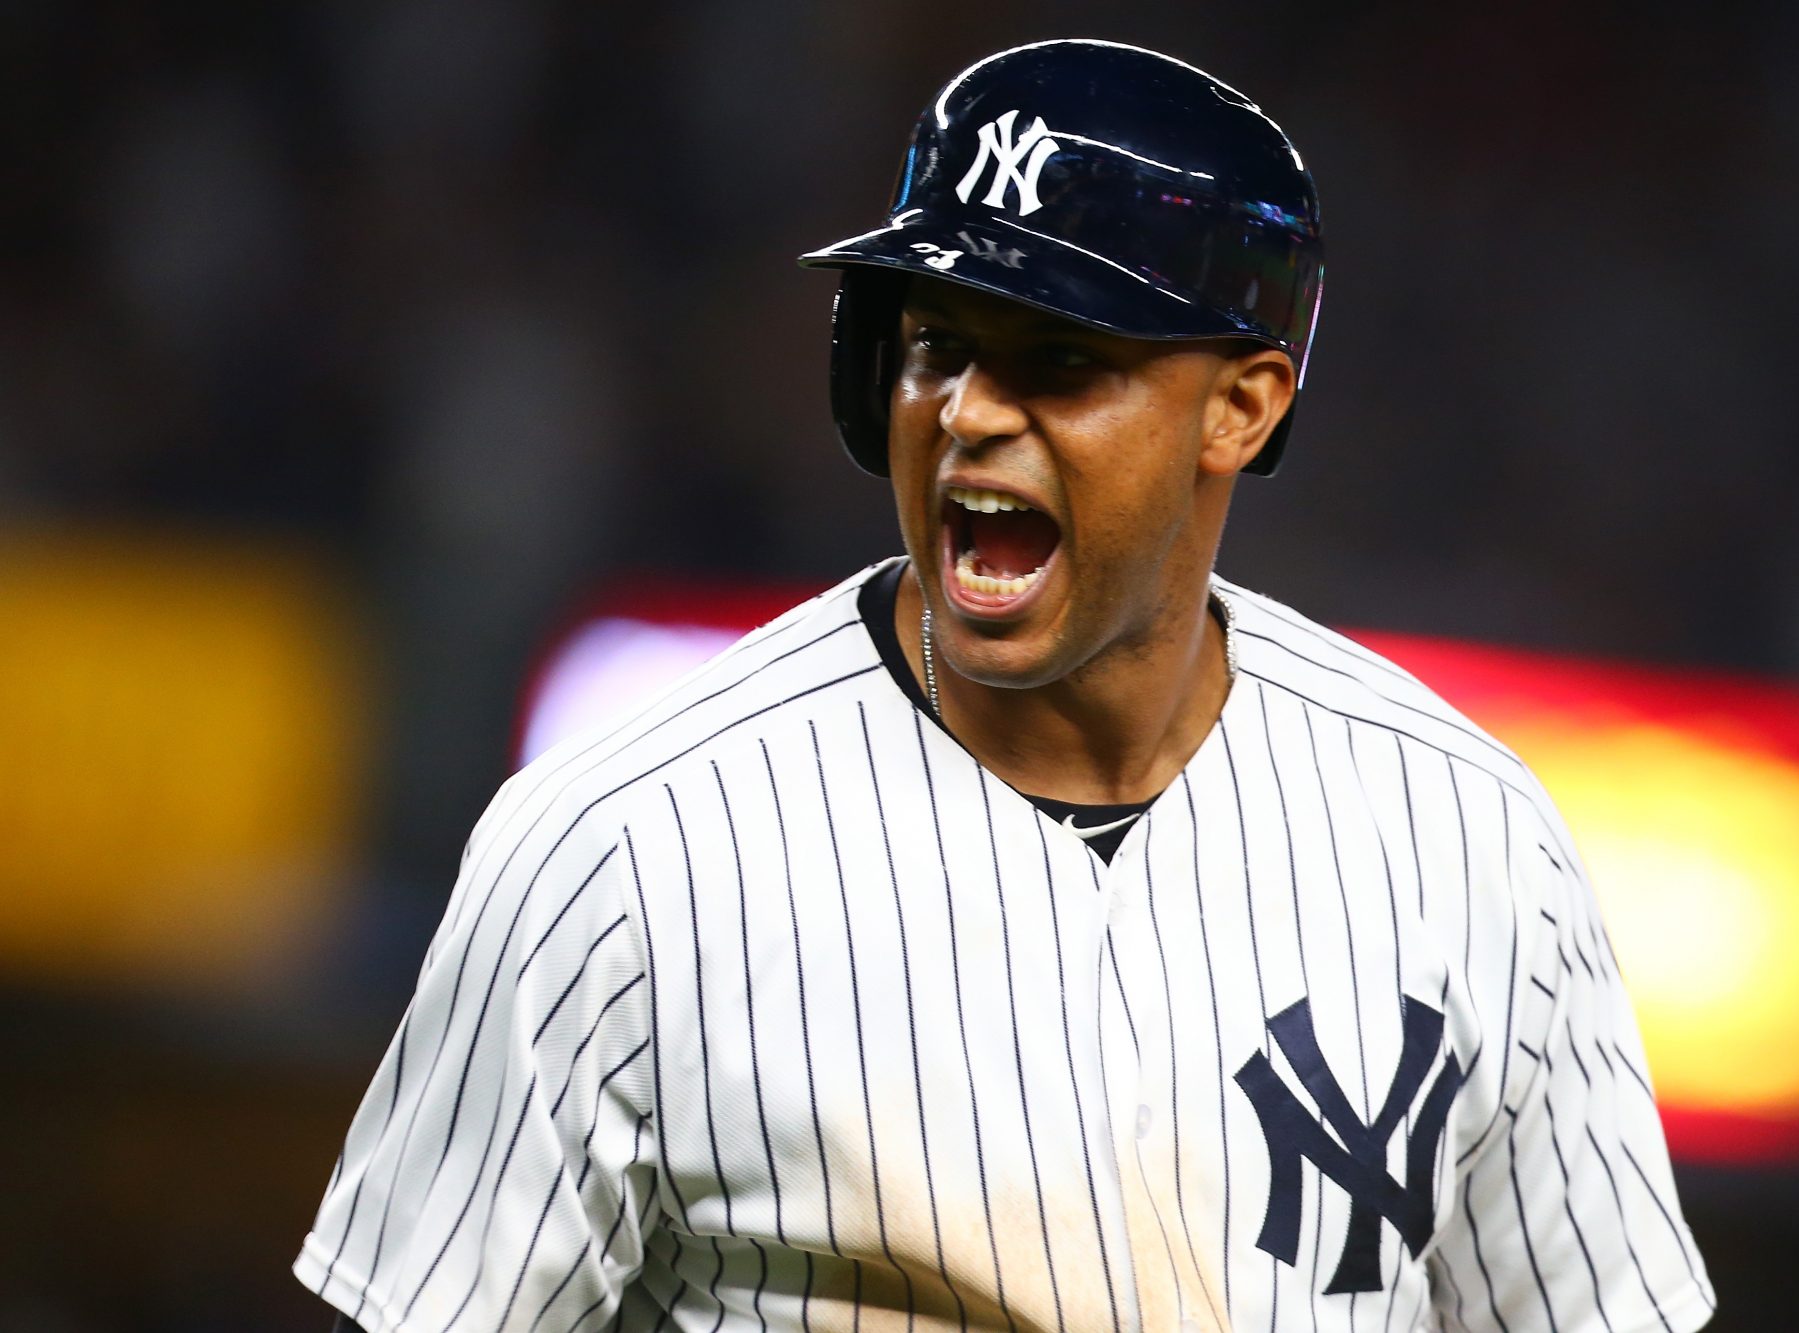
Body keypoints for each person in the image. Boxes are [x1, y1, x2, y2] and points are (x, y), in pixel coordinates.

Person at [298, 38, 1714, 1332]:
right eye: (937, 345)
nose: (972, 412)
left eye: (1062, 361)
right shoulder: (620, 846)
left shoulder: (1465, 836)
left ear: (1243, 406)